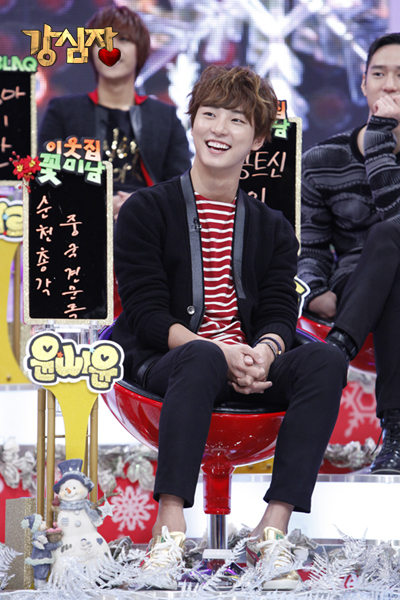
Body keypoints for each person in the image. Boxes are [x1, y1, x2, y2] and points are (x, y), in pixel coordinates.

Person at [112, 65, 347, 590]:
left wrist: (263, 352)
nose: (219, 129)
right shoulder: (146, 209)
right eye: (209, 114)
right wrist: (218, 351)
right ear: (192, 121)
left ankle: (272, 530)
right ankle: (169, 530)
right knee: (201, 356)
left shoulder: (273, 226)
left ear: (258, 138)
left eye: (237, 120)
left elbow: (280, 311)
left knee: (325, 359)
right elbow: (147, 314)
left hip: (247, 363)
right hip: (170, 361)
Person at [298, 32, 400, 474]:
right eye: (379, 74)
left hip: (354, 319)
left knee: (388, 235)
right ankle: (396, 433)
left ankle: (336, 351)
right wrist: (314, 290)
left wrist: (379, 139)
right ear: (362, 84)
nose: (389, 85)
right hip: (352, 289)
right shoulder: (323, 160)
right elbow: (310, 245)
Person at [38, 5, 192, 221]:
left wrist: (137, 204)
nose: (112, 48)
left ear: (141, 50)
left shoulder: (165, 117)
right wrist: (102, 204)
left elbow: (181, 188)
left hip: (148, 226)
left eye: (123, 39)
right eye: (103, 40)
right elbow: (46, 178)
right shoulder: (62, 112)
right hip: (80, 224)